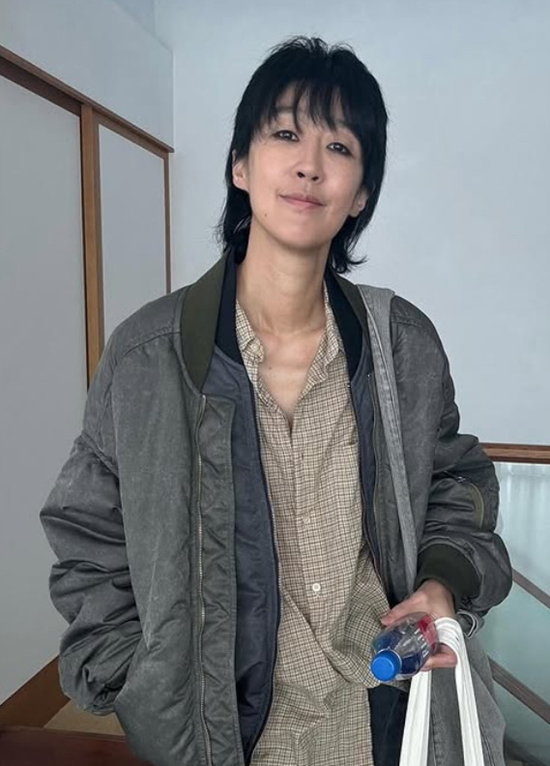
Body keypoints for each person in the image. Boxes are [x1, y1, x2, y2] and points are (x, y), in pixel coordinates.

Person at [41, 36, 512, 766]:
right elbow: (87, 533)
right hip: (222, 739)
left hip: (383, 719)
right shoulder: (148, 357)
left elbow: (458, 484)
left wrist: (441, 580)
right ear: (241, 164)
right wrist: (142, 682)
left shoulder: (402, 345)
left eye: (339, 147)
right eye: (286, 135)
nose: (309, 165)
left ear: (361, 193)